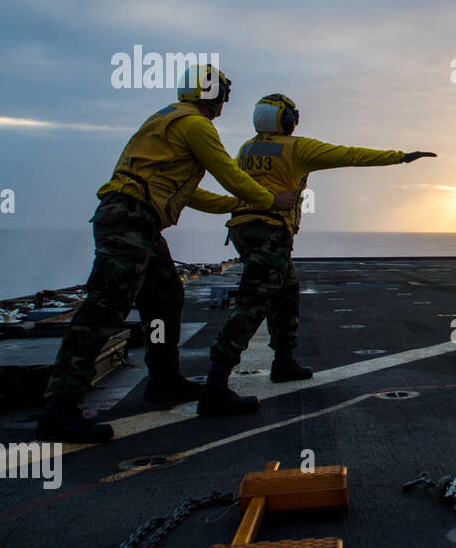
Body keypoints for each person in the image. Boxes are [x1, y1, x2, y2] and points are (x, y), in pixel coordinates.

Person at [38, 65, 295, 443]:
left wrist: (235, 206)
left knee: (165, 296)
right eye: (223, 94)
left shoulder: (166, 118)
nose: (224, 101)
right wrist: (271, 200)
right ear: (213, 95)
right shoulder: (196, 126)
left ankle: (164, 380)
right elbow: (228, 173)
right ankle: (59, 410)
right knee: (104, 309)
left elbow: (190, 193)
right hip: (131, 219)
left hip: (136, 217)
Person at [201, 93, 434, 409]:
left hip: (243, 229)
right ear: (286, 120)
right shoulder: (297, 148)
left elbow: (231, 180)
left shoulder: (246, 148)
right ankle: (216, 383)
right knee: (254, 301)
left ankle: (283, 362)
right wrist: (400, 156)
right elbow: (350, 155)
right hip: (270, 230)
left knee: (287, 290)